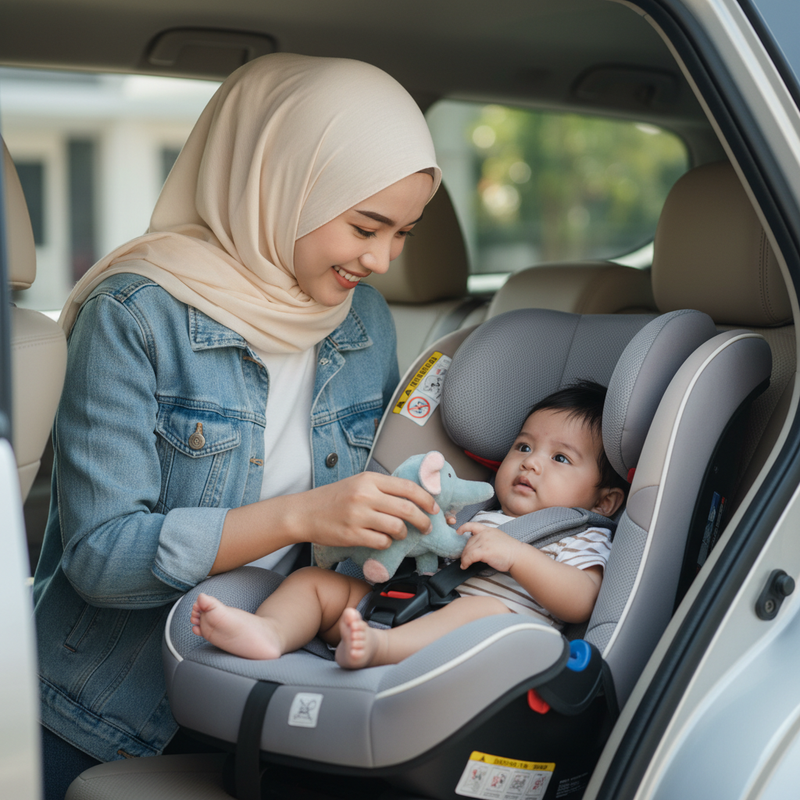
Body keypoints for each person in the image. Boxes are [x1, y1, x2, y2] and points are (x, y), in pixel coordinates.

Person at [33, 53, 442, 799]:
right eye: (365, 226)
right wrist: (302, 515)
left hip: (279, 700)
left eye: (404, 233)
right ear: (281, 183)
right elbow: (99, 558)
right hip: (96, 711)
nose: (382, 259)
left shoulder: (365, 322)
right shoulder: (134, 315)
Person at [190, 380, 627, 670]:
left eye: (560, 458)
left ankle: (379, 650)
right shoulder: (479, 508)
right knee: (313, 581)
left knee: (484, 611)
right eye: (523, 445)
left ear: (604, 500)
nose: (530, 461)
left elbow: (581, 601)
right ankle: (271, 631)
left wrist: (517, 556)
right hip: (406, 602)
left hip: (489, 642)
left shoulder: (581, 532)